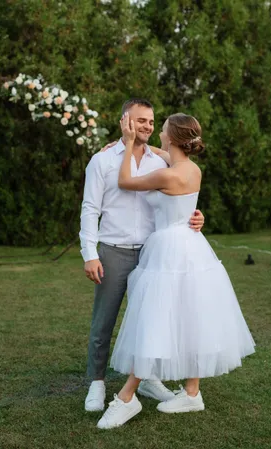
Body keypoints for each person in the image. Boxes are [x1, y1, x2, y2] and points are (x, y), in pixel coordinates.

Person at [97, 112, 255, 429]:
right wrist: (139, 142)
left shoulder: (168, 176)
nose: (160, 134)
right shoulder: (191, 168)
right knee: (189, 316)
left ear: (172, 137)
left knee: (154, 318)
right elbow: (165, 156)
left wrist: (128, 145)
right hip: (189, 244)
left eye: (163, 130)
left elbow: (125, 181)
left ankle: (127, 398)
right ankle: (192, 392)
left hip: (170, 249)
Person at [79, 99, 205, 412]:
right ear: (125, 122)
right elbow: (90, 209)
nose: (148, 126)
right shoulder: (103, 160)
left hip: (154, 254)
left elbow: (182, 194)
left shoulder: (162, 162)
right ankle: (96, 382)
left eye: (151, 121)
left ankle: (147, 379)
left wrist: (197, 217)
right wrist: (89, 254)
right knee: (104, 321)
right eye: (141, 121)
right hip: (113, 251)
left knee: (150, 322)